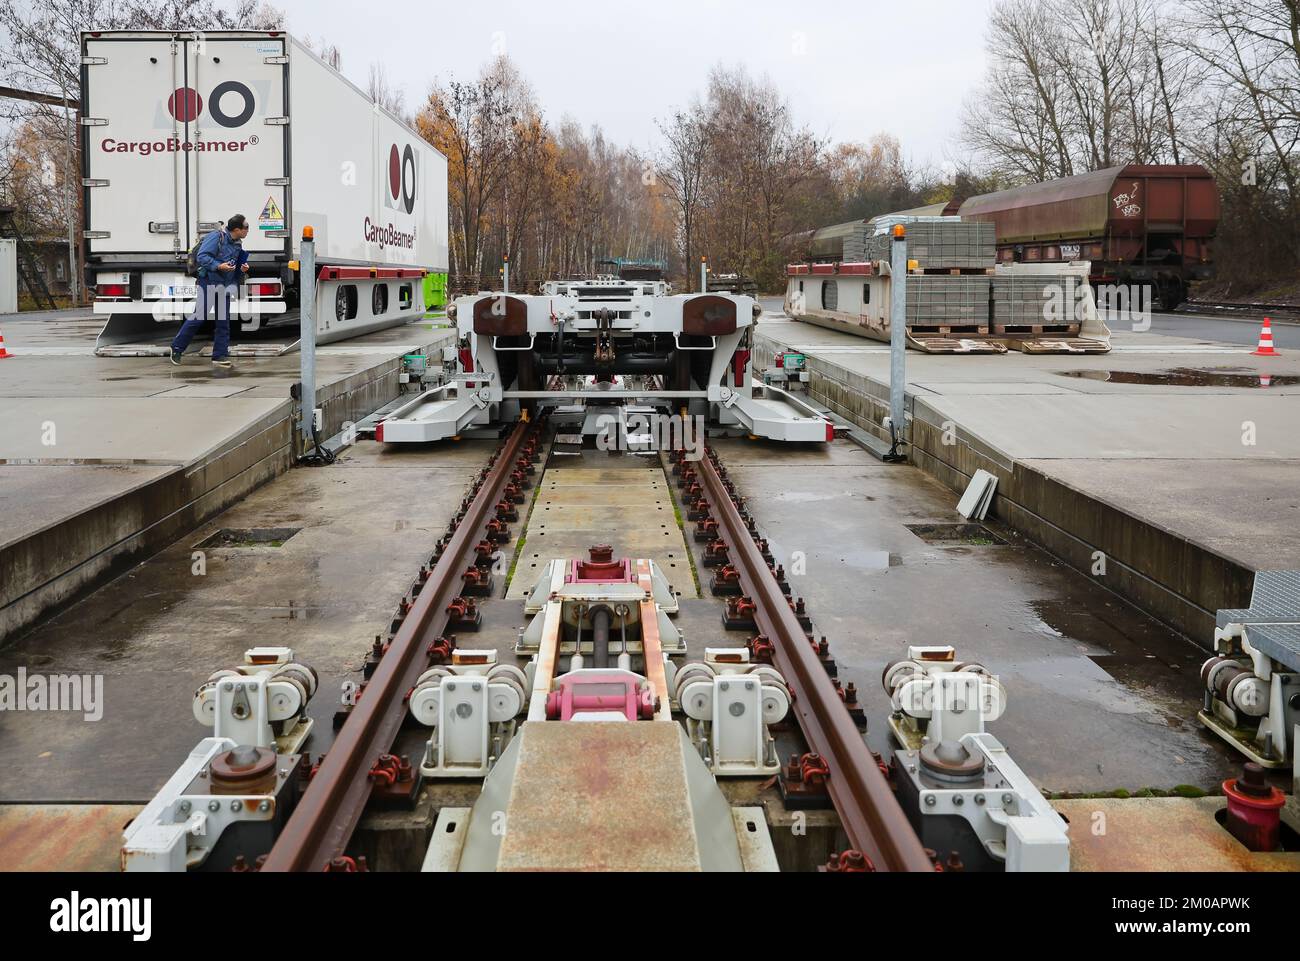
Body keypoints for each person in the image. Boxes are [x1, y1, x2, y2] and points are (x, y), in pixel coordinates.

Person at [170, 214, 250, 368]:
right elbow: (202, 256)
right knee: (199, 316)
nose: (247, 231)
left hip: (224, 285)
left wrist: (242, 269)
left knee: (223, 322)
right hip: (208, 282)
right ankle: (177, 347)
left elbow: (233, 266)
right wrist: (219, 266)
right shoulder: (216, 237)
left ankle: (219, 355)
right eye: (246, 227)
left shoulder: (237, 243)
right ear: (237, 229)